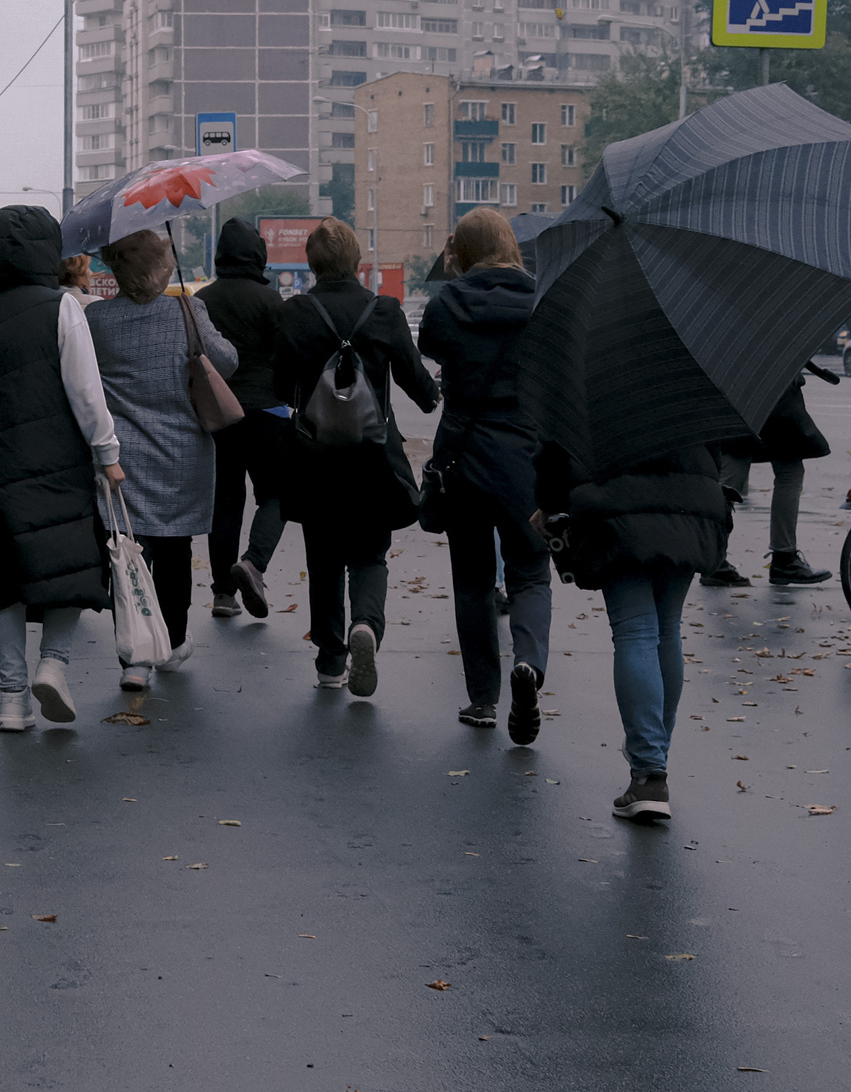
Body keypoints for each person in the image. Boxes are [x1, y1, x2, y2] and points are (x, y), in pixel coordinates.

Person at [0, 206, 122, 730]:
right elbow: (85, 390)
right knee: (70, 566)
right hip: (58, 465)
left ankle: (10, 701)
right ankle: (53, 665)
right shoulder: (61, 308)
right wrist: (108, 453)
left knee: (5, 581)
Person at [273, 218, 438, 696]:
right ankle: (365, 625)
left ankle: (330, 659)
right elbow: (415, 380)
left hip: (315, 457)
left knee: (323, 556)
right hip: (373, 456)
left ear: (312, 263)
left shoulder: (297, 313)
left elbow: (281, 384)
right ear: (355, 262)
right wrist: (432, 398)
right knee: (370, 553)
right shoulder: (383, 310)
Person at [534, 441, 730, 823]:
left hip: (615, 507)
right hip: (691, 507)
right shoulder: (693, 380)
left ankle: (648, 772)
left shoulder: (589, 381)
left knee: (635, 630)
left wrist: (549, 503)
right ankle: (654, 763)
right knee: (667, 629)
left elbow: (555, 452)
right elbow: (715, 450)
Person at [417, 209, 552, 741]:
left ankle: (482, 699)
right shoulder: (543, 302)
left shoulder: (448, 303)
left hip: (465, 456)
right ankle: (530, 666)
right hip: (525, 458)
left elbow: (429, 345)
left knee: (472, 580)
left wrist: (455, 274)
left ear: (463, 250)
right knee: (530, 571)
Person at [85, 228, 237, 685]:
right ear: (162, 267)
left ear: (116, 269)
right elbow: (226, 361)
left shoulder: (98, 322)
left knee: (128, 555)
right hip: (183, 453)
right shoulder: (187, 310)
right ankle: (170, 644)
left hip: (122, 459)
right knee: (175, 552)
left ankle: (134, 657)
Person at [197, 218, 290, 621]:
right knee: (278, 494)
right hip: (269, 412)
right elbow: (287, 360)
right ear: (258, 255)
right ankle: (253, 562)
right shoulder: (272, 303)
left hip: (220, 415)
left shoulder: (203, 301)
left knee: (226, 501)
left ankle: (222, 593)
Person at [705, 368, 835, 588]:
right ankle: (784, 558)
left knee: (733, 471)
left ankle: (713, 558)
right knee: (788, 470)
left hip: (736, 392)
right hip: (775, 393)